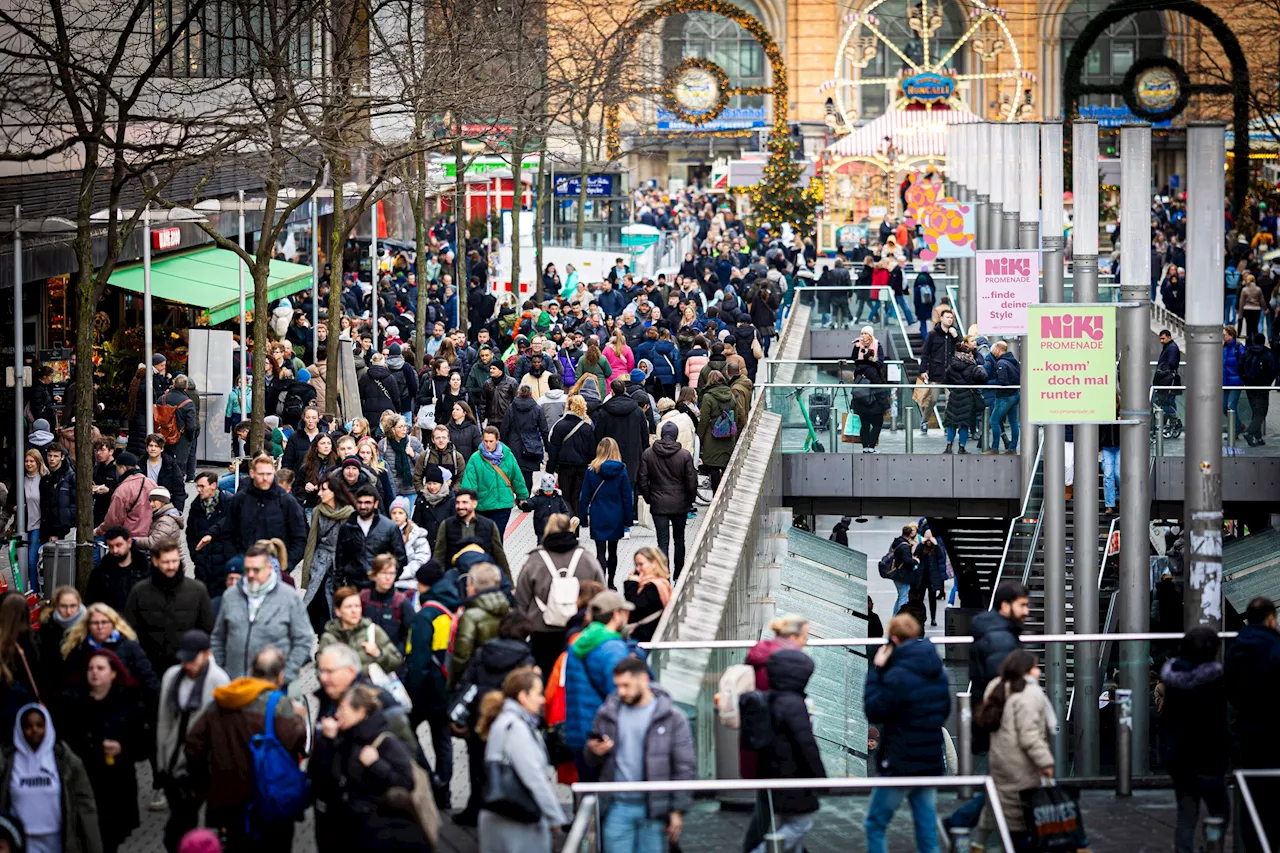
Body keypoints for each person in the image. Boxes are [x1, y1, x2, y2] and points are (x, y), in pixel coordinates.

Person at [184, 647, 307, 852]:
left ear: (251, 671)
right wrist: (300, 719)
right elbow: (297, 744)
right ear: (280, 676)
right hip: (267, 800)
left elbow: (193, 744)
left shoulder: (223, 698)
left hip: (227, 799)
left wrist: (204, 784)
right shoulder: (280, 705)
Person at [585, 656, 694, 852]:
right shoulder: (607, 713)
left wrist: (678, 810)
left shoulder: (673, 717)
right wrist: (594, 751)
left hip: (654, 809)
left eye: (626, 685)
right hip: (616, 806)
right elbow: (591, 761)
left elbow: (684, 766)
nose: (621, 691)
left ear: (643, 679)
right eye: (618, 686)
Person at [863, 614, 950, 853]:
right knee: (926, 829)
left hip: (900, 762)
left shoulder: (895, 675)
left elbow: (874, 710)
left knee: (875, 823)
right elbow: (945, 711)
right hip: (929, 760)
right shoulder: (937, 672)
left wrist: (877, 672)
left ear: (893, 639)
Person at [309, 684, 427, 852]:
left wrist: (376, 765)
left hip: (376, 831)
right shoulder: (342, 736)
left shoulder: (385, 742)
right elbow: (322, 774)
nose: (337, 715)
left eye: (343, 709)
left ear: (360, 712)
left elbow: (406, 782)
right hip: (345, 825)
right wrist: (327, 742)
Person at [62, 649, 146, 853]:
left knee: (113, 835)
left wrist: (122, 747)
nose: (94, 672)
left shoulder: (129, 701)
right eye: (91, 668)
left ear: (113, 673)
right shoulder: (73, 702)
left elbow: (143, 743)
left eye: (100, 668)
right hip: (86, 778)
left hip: (117, 781)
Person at [475, 668, 567, 852]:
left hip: (501, 816)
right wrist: (556, 817)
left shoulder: (504, 721)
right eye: (538, 693)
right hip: (518, 821)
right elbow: (534, 778)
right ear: (523, 696)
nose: (542, 699)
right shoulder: (517, 728)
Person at [154, 631, 229, 852]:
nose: (187, 665)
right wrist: (162, 761)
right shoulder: (171, 676)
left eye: (192, 659)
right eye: (183, 659)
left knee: (192, 819)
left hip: (201, 762)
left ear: (207, 654)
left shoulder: (219, 680)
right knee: (180, 819)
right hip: (174, 758)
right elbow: (164, 719)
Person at [747, 649, 826, 853]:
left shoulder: (770, 698)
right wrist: (821, 778)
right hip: (794, 775)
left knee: (787, 822)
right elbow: (806, 744)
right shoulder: (793, 704)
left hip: (773, 772)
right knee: (801, 825)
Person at [1157, 627, 1228, 853]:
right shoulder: (1214, 681)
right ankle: (1212, 845)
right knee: (1220, 811)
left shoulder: (1173, 681)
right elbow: (1218, 724)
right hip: (1209, 759)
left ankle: (1184, 850)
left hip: (1180, 759)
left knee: (1186, 813)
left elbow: (1166, 722)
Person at [976, 649, 1054, 851]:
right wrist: (1045, 762)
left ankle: (979, 843)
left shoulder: (996, 685)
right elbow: (1030, 736)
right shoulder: (1029, 694)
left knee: (997, 804)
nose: (1038, 671)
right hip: (1022, 764)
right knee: (1021, 816)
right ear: (1026, 670)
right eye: (1035, 667)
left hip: (1000, 759)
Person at [0, 703, 102, 853]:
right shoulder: (7, 762)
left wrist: (94, 845)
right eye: (28, 726)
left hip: (58, 839)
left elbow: (85, 804)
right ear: (20, 729)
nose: (34, 730)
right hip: (22, 841)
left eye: (39, 725)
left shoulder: (67, 761)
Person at [210, 541, 314, 683]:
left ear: (269, 568)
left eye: (256, 570)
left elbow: (304, 639)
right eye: (247, 570)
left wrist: (287, 675)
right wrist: (222, 671)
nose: (251, 575)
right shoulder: (231, 596)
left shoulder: (289, 597)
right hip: (235, 684)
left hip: (272, 686)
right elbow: (218, 637)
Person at [402, 562, 463, 804]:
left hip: (425, 689)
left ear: (424, 584)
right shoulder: (453, 607)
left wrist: (412, 695)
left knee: (406, 731)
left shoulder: (425, 615)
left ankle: (430, 779)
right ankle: (445, 790)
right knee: (442, 738)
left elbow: (418, 662)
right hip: (446, 687)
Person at [565, 591, 642, 780]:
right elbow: (620, 693)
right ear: (616, 615)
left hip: (582, 731)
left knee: (589, 795)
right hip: (604, 736)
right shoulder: (612, 649)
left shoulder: (582, 642)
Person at [514, 513, 605, 675]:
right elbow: (601, 593)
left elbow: (521, 599)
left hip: (541, 629)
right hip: (580, 630)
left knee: (546, 674)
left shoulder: (535, 560)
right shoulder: (586, 558)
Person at [1224, 597, 1280, 851]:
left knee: (1251, 792)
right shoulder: (1275, 646)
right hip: (1273, 732)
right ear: (1271, 617)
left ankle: (1253, 843)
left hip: (1247, 731)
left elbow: (1231, 689)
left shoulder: (1235, 648)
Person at [195, 454, 308, 571]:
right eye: (261, 474)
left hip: (275, 567)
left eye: (269, 474)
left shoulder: (287, 501)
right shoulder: (240, 499)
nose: (265, 478)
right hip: (244, 564)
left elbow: (300, 538)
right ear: (252, 473)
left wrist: (286, 565)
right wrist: (234, 559)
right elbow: (228, 531)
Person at [123, 540, 215, 679]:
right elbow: (130, 630)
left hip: (186, 667)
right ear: (155, 561)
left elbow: (208, 629)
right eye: (166, 562)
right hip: (149, 667)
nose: (171, 566)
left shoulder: (197, 590)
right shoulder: (139, 591)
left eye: (174, 561)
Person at [637, 422, 697, 577]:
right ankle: (679, 573)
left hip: (658, 502)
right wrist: (690, 500)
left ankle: (664, 575)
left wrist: (649, 498)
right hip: (680, 503)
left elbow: (642, 479)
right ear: (676, 435)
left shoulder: (648, 454)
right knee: (679, 539)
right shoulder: (684, 455)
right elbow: (691, 481)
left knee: (662, 541)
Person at [301, 474, 356, 634]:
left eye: (323, 490)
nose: (319, 493)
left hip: (339, 566)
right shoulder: (319, 510)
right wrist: (307, 573)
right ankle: (321, 638)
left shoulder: (349, 513)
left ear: (334, 492)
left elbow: (352, 545)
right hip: (320, 565)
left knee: (335, 605)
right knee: (316, 606)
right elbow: (312, 542)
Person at [579, 438, 634, 587]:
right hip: (616, 514)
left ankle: (601, 583)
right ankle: (611, 582)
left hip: (598, 514)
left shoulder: (591, 470)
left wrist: (583, 518)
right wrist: (628, 520)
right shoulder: (621, 470)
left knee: (600, 552)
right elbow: (627, 497)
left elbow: (584, 496)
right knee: (613, 551)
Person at [447, 562, 510, 689]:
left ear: (473, 588)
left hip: (476, 680)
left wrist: (453, 684)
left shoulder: (470, 616)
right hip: (504, 678)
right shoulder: (508, 610)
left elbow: (462, 656)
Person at [458, 426, 529, 538]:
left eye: (491, 441)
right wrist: (467, 502)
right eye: (485, 441)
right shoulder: (475, 459)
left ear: (497, 441)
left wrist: (523, 496)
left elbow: (516, 477)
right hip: (483, 506)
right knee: (484, 538)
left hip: (502, 504)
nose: (488, 444)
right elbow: (469, 483)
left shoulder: (507, 456)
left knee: (496, 537)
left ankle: (496, 555)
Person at [334, 485, 408, 590]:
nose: (363, 506)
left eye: (367, 502)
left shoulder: (389, 527)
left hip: (380, 587)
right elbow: (340, 560)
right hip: (354, 586)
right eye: (360, 502)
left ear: (376, 504)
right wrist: (339, 586)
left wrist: (389, 580)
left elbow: (400, 558)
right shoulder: (346, 528)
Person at [317, 586, 404, 675]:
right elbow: (320, 671)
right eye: (348, 607)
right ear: (338, 611)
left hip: (368, 688)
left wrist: (378, 653)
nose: (354, 610)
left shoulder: (372, 631)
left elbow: (397, 661)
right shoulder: (329, 638)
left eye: (357, 606)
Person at [433, 489, 510, 579]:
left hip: (482, 578)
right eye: (457, 502)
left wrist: (509, 584)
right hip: (456, 578)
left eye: (465, 502)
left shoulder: (489, 525)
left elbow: (499, 555)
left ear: (474, 504)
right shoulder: (447, 525)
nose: (460, 506)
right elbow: (439, 555)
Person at [186, 473, 235, 602]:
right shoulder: (196, 506)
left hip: (223, 566)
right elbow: (190, 533)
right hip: (203, 566)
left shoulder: (229, 503)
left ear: (213, 485)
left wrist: (228, 556)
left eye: (202, 486)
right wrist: (195, 555)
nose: (198, 490)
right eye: (197, 486)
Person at [547, 394, 596, 518]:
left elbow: (553, 449)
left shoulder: (560, 425)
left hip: (565, 466)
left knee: (565, 496)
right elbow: (592, 451)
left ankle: (570, 521)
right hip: (582, 466)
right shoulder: (587, 427)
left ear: (568, 406)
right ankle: (576, 525)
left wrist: (550, 470)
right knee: (576, 495)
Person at [86, 526, 151, 615]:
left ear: (129, 542)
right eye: (111, 546)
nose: (115, 550)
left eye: (118, 545)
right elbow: (92, 604)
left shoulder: (147, 571)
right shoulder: (100, 574)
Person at [93, 452, 157, 540]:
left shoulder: (122, 490)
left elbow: (113, 520)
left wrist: (98, 531)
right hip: (150, 536)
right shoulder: (151, 483)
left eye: (117, 468)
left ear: (123, 468)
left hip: (130, 538)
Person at [500, 386, 550, 493]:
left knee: (515, 473)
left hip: (514, 444)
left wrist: (502, 447)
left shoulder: (511, 408)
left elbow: (504, 429)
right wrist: (548, 448)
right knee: (528, 474)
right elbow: (544, 430)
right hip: (531, 445)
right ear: (531, 394)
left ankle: (518, 496)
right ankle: (526, 499)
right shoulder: (536, 408)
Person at [698, 370, 738, 493]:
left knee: (714, 466)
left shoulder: (707, 397)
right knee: (726, 465)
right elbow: (735, 414)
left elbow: (704, 419)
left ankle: (716, 494)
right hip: (728, 434)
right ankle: (727, 492)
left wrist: (700, 437)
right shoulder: (730, 394)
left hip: (712, 435)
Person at [850, 327, 889, 453]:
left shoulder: (876, 345)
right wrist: (885, 405)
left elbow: (856, 361)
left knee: (865, 424)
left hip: (861, 397)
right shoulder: (872, 370)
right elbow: (879, 387)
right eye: (862, 333)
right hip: (873, 400)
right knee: (877, 423)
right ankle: (870, 447)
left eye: (866, 333)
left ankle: (866, 447)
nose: (863, 336)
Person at [623, 547, 673, 643]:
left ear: (654, 563)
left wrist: (631, 584)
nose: (638, 569)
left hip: (645, 640)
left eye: (641, 564)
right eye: (636, 565)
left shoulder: (654, 588)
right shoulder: (659, 584)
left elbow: (633, 605)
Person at [986, 341, 1021, 454]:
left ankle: (995, 447)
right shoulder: (1014, 361)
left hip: (1004, 396)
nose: (992, 352)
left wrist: (988, 383)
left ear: (998, 349)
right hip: (1015, 394)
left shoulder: (1001, 363)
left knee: (994, 420)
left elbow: (1002, 381)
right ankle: (1012, 448)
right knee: (1013, 422)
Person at [518, 473, 571, 545]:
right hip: (541, 527)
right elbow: (529, 505)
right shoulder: (537, 498)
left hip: (556, 527)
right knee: (541, 544)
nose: (548, 492)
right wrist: (524, 505)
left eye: (550, 490)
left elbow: (565, 510)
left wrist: (564, 518)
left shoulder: (558, 498)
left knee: (555, 544)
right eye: (546, 490)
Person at [141, 434, 186, 513]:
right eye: (151, 445)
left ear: (161, 449)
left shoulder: (171, 465)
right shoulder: (140, 464)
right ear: (147, 448)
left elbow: (179, 490)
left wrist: (177, 511)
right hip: (145, 505)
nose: (153, 449)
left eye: (156, 446)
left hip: (165, 505)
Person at [134, 486, 184, 553]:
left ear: (163, 501)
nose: (151, 504)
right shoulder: (161, 516)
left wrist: (133, 541)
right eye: (150, 501)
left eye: (154, 501)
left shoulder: (166, 521)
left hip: (169, 560)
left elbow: (153, 543)